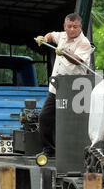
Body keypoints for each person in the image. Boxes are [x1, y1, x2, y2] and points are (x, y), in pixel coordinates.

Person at [35, 13, 93, 156]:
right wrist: (44, 38)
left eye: (75, 27)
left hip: (74, 91)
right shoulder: (61, 36)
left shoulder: (84, 43)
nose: (72, 29)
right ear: (64, 26)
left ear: (80, 27)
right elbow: (51, 35)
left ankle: (74, 151)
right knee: (45, 117)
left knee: (70, 122)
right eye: (69, 26)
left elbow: (77, 60)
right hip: (56, 88)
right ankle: (49, 150)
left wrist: (65, 52)